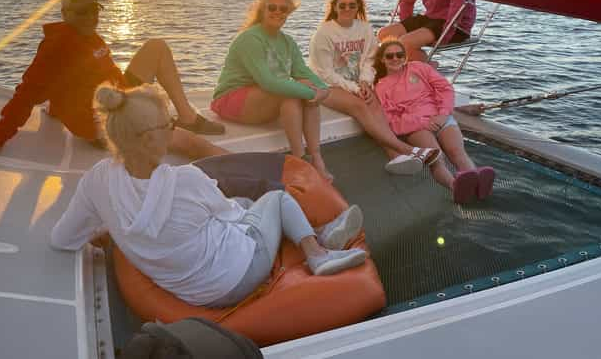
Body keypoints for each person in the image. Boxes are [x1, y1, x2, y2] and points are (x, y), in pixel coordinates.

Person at [50, 83, 368, 308]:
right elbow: (235, 218)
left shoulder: (96, 181)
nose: (173, 129)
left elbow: (62, 239)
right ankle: (318, 253)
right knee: (276, 200)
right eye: (168, 124)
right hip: (239, 276)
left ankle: (323, 235)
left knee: (243, 206)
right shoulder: (187, 180)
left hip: (193, 292)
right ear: (149, 139)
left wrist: (104, 229)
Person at [0, 0, 224, 161]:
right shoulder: (57, 47)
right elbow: (28, 93)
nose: (91, 17)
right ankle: (253, 175)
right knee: (192, 146)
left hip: (120, 98)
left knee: (156, 47)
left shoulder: (89, 36)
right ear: (65, 13)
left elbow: (73, 81)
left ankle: (187, 116)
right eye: (81, 12)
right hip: (105, 122)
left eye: (94, 10)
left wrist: (57, 107)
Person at [309, 0, 440, 174]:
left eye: (352, 5)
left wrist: (365, 82)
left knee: (376, 105)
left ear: (358, 8)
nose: (347, 8)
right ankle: (409, 150)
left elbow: (369, 60)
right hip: (326, 84)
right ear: (335, 8)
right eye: (342, 5)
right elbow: (325, 72)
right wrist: (355, 88)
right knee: (360, 106)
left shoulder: (364, 28)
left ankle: (395, 158)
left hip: (356, 83)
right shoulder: (324, 33)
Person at [211, 0, 333, 180]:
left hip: (263, 101)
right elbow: (267, 82)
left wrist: (323, 90)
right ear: (263, 10)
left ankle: (316, 159)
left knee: (303, 95)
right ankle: (300, 161)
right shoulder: (250, 38)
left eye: (283, 9)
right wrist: (311, 92)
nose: (278, 12)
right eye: (272, 7)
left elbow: (302, 72)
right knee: (298, 93)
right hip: (231, 99)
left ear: (289, 12)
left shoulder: (288, 42)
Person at [373, 39, 495, 204]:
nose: (395, 59)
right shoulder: (381, 88)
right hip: (417, 127)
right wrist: (422, 123)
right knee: (437, 160)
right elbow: (392, 121)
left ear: (405, 57)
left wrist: (443, 114)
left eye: (400, 55)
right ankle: (456, 187)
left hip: (441, 118)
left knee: (457, 152)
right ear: (382, 59)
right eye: (390, 56)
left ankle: (477, 183)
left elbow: (445, 88)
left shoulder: (419, 68)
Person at [377, 0, 476, 62]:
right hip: (430, 18)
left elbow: (457, 9)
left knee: (404, 43)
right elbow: (407, 1)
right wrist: (407, 26)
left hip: (456, 25)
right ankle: (422, 64)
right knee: (384, 34)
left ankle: (427, 70)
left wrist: (444, 37)